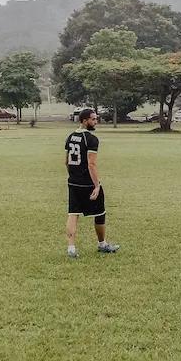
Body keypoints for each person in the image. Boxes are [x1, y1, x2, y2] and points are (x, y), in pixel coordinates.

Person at [65, 107, 118, 258]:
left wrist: (73, 176)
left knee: (73, 213)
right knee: (100, 213)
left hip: (73, 182)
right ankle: (102, 244)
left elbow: (66, 162)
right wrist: (96, 185)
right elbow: (91, 164)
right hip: (88, 183)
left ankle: (71, 249)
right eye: (93, 119)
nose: (96, 122)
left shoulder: (70, 137)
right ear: (84, 120)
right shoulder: (91, 139)